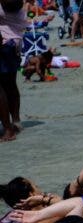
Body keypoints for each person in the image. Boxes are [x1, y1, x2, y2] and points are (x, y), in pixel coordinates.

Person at [0, 0, 28, 141]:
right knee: (10, 84)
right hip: (14, 42)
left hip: (4, 42)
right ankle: (15, 121)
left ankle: (7, 129)